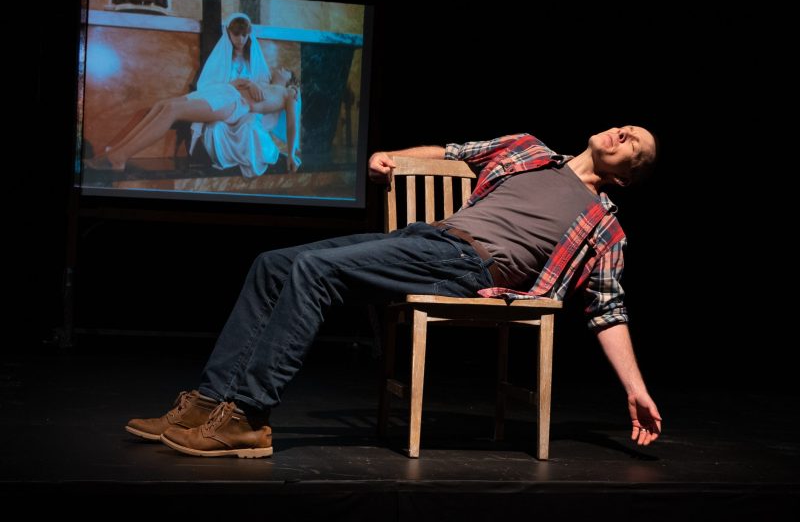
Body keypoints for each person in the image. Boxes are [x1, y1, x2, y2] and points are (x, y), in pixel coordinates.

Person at [126, 126, 662, 458]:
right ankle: (208, 403)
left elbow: (608, 309)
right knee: (272, 264)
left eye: (634, 144)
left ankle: (248, 417)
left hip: (470, 266)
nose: (622, 134)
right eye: (625, 127)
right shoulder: (528, 148)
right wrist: (391, 153)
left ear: (625, 179)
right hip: (427, 238)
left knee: (313, 269)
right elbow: (452, 150)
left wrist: (635, 390)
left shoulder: (603, 226)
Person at [87, 13, 299, 173]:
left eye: (285, 71)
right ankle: (114, 153)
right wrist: (247, 82)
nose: (280, 69)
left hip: (233, 103)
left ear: (291, 82)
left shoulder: (289, 93)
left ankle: (120, 157)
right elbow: (230, 82)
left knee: (172, 110)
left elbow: (291, 124)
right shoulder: (265, 80)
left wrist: (291, 154)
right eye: (237, 34)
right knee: (163, 104)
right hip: (222, 93)